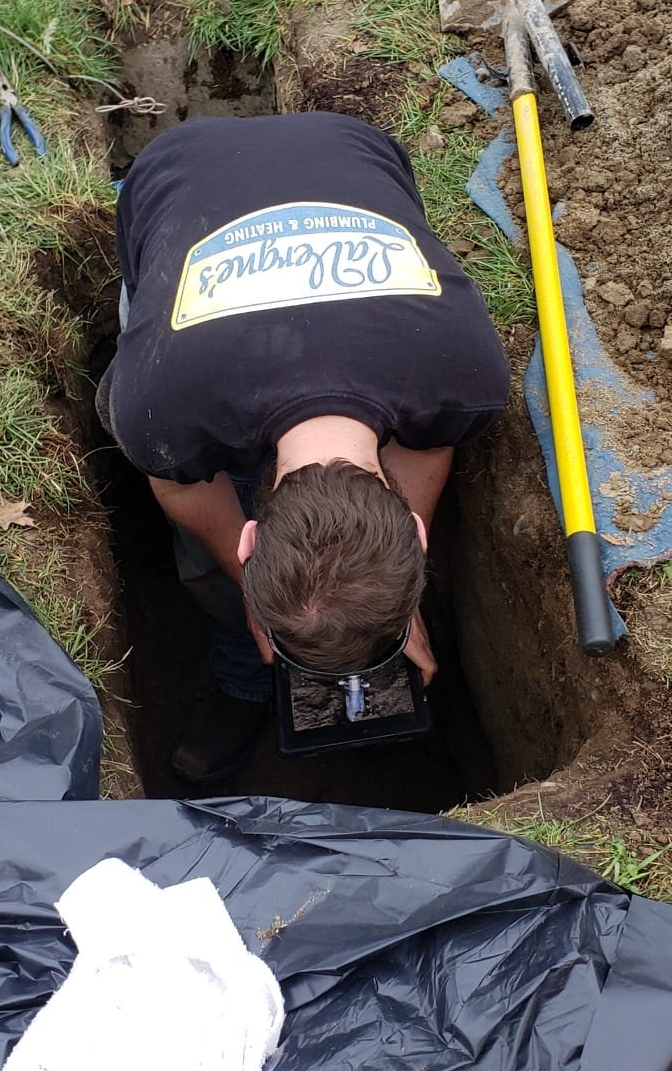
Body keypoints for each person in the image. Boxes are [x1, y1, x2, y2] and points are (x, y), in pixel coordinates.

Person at [97, 110, 511, 786]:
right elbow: (181, 485)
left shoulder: (461, 374)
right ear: (248, 539)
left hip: (351, 144)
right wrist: (252, 605)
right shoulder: (159, 405)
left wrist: (393, 607)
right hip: (177, 172)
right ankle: (243, 681)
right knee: (200, 560)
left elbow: (430, 440)